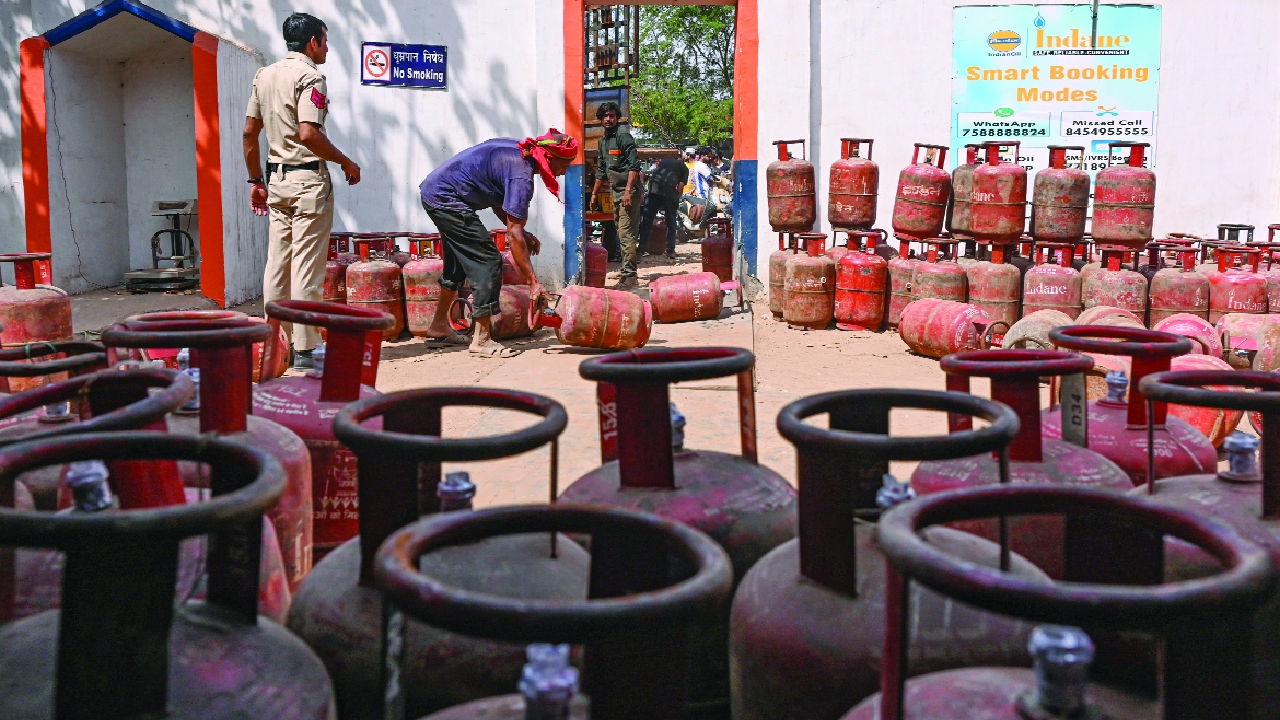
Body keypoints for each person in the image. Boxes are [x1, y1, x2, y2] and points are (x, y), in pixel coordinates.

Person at [244, 12, 360, 370]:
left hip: (276, 182)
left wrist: (255, 182)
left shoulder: (264, 76)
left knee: (277, 265)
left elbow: (250, 133)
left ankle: (271, 346)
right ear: (313, 42)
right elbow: (310, 133)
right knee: (307, 269)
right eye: (325, 40)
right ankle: (305, 354)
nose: (327, 48)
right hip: (308, 183)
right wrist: (345, 161)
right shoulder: (311, 77)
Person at [418, 130, 577, 358]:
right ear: (551, 157)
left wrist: (524, 232)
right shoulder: (521, 175)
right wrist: (533, 282)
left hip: (437, 192)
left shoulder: (521, 152)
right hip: (447, 199)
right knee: (488, 261)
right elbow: (513, 234)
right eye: (565, 165)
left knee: (458, 263)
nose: (563, 172)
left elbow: (500, 204)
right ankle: (482, 340)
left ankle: (438, 327)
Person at [589, 102, 641, 291]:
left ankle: (630, 276)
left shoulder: (623, 136)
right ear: (601, 119)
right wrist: (594, 193)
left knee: (626, 234)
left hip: (629, 193)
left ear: (617, 118)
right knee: (621, 232)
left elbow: (634, 166)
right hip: (615, 192)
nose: (608, 119)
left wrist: (628, 191)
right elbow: (601, 170)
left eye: (611, 116)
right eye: (605, 116)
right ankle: (626, 269)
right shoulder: (603, 141)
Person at [637, 154, 689, 259]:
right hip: (669, 190)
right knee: (671, 221)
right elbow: (680, 187)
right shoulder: (684, 167)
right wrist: (675, 201)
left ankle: (640, 250)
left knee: (647, 220)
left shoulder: (664, 161)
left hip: (653, 188)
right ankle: (670, 250)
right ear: (684, 158)